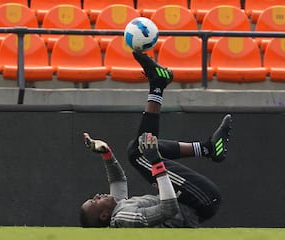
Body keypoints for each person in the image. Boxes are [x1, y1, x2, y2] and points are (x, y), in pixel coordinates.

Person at [80, 51, 232, 228]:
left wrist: (106, 154)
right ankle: (158, 84)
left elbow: (118, 181)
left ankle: (207, 148)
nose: (97, 195)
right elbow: (169, 209)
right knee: (139, 153)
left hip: (195, 201)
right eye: (93, 201)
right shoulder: (123, 217)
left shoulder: (118, 208)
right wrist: (156, 164)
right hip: (201, 201)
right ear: (104, 215)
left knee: (136, 150)